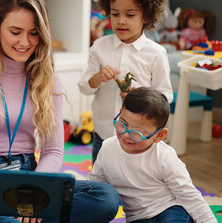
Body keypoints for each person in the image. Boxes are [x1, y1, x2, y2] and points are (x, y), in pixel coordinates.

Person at [0, 0, 119, 223]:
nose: (25, 41)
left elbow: (53, 151)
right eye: (15, 32)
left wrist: (37, 195)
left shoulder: (48, 78)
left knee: (106, 197)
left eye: (34, 32)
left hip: (32, 176)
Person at [88, 87, 216, 223]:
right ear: (120, 114)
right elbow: (95, 186)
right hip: (138, 217)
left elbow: (189, 195)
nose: (126, 134)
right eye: (123, 124)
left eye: (137, 133)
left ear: (159, 136)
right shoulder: (107, 148)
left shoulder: (164, 156)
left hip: (170, 208)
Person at [78, 0, 173, 163]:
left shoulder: (156, 53)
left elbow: (166, 96)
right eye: (115, 14)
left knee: (135, 186)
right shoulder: (100, 47)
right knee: (100, 186)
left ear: (145, 16)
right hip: (103, 136)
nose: (121, 20)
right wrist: (98, 78)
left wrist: (141, 97)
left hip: (138, 139)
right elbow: (84, 87)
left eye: (130, 15)